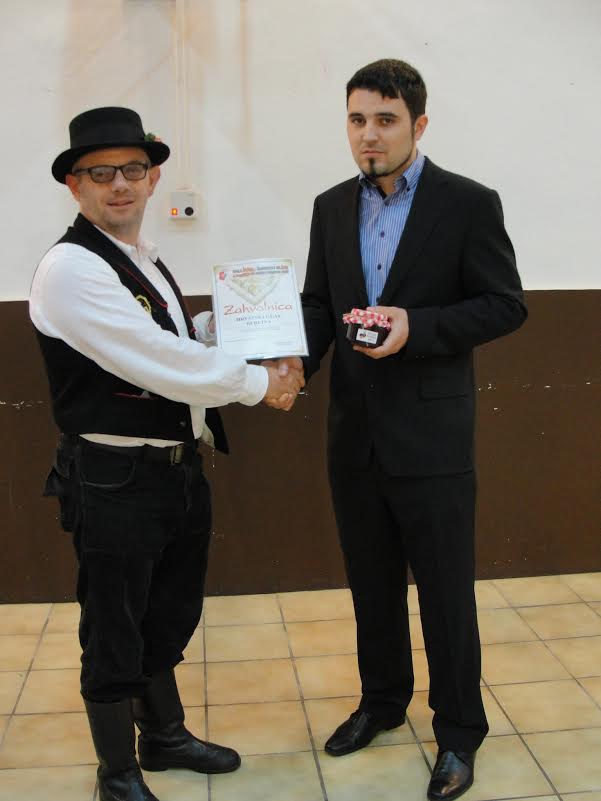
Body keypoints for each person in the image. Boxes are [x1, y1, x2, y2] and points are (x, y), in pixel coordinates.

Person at [30, 106, 302, 801]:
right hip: (113, 478)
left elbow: (176, 336)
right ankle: (117, 773)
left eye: (133, 169)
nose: (119, 184)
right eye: (100, 173)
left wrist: (245, 325)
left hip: (175, 469)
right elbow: (156, 358)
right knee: (114, 626)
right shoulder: (70, 268)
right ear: (74, 185)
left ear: (153, 178)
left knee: (168, 612)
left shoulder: (140, 257)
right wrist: (258, 383)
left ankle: (164, 734)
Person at [279, 59, 527, 800]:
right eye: (357, 119)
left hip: (432, 439)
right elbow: (318, 303)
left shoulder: (467, 203)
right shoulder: (330, 207)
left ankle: (459, 732)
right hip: (353, 435)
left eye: (385, 120)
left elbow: (504, 304)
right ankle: (382, 702)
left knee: (445, 594)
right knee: (371, 585)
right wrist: (294, 364)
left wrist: (415, 326)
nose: (369, 134)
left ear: (418, 125)